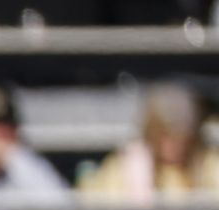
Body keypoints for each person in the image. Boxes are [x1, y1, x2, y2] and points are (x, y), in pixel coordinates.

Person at [79, 82, 219, 201]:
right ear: (153, 133)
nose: (175, 145)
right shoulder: (125, 165)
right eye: (166, 136)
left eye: (183, 138)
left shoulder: (207, 162)